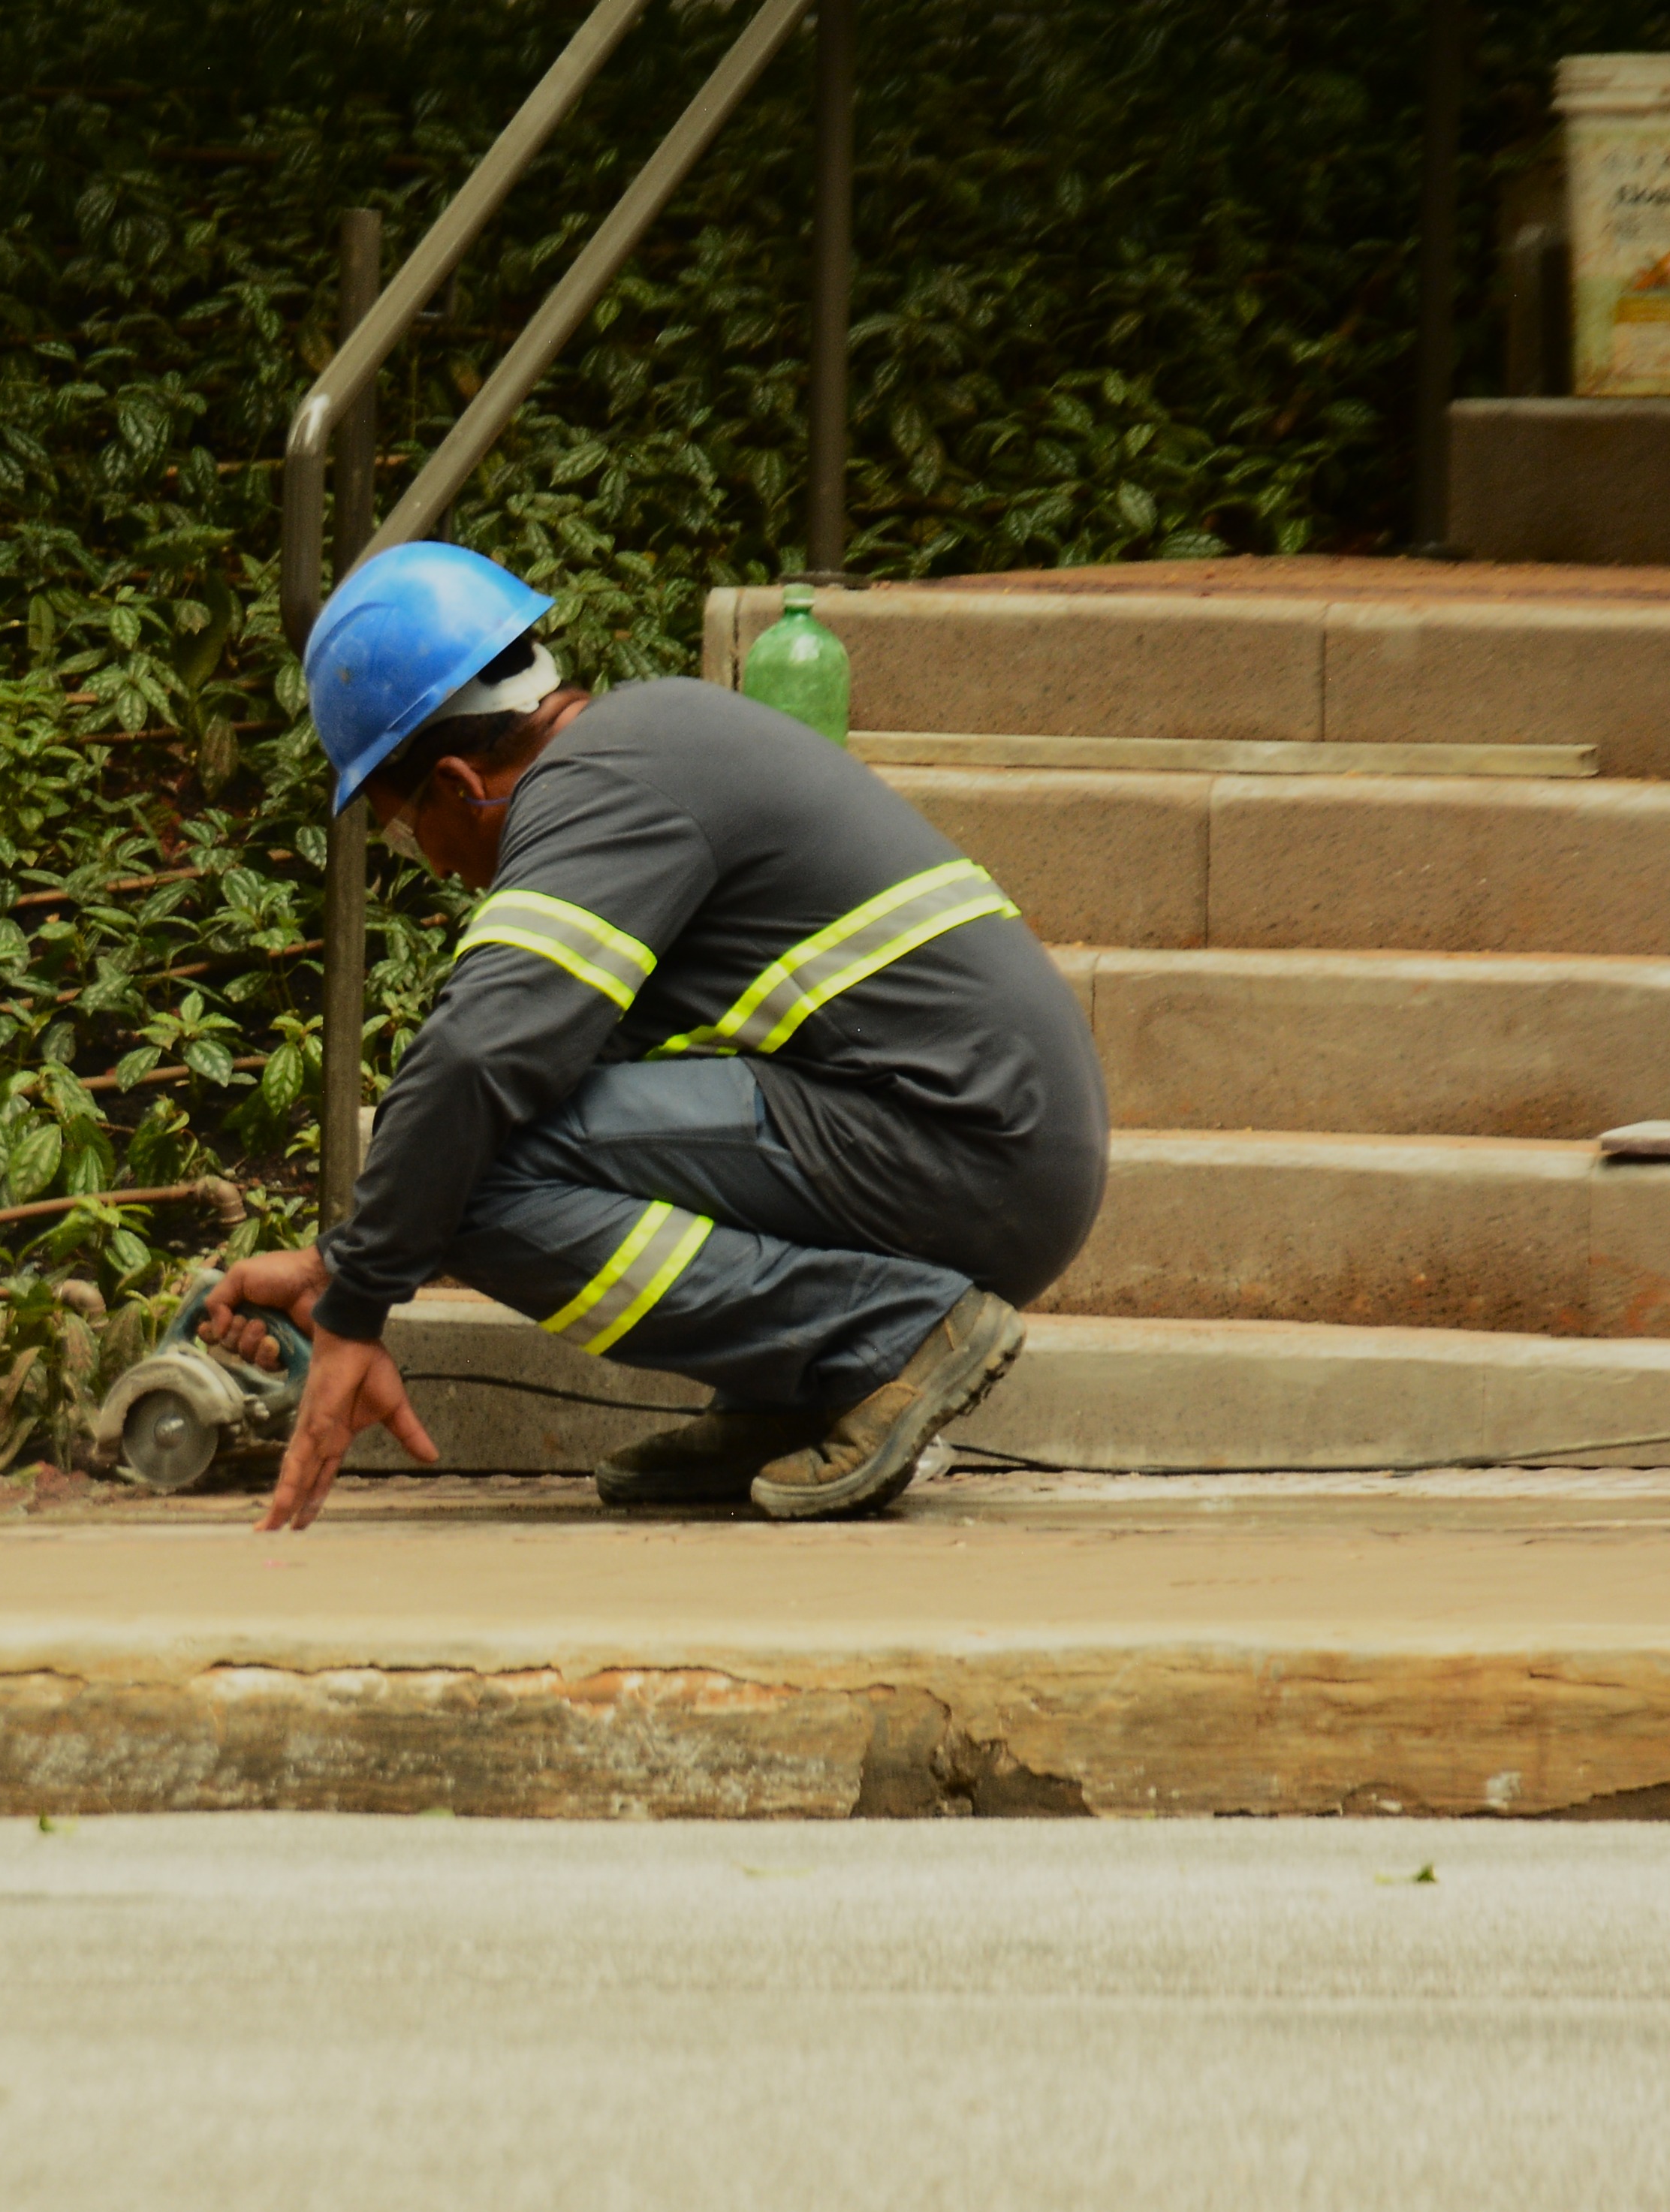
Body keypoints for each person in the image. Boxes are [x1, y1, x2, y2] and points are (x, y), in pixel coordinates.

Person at [203, 543, 1109, 1532]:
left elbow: (470, 1061)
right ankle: (791, 1393)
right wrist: (344, 1264)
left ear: (460, 784)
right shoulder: (645, 746)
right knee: (480, 1145)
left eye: (398, 830)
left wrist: (354, 1308)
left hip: (965, 1146)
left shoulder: (602, 787)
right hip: (982, 1142)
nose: (425, 862)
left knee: (478, 1168)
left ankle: (888, 1337)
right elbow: (549, 1077)